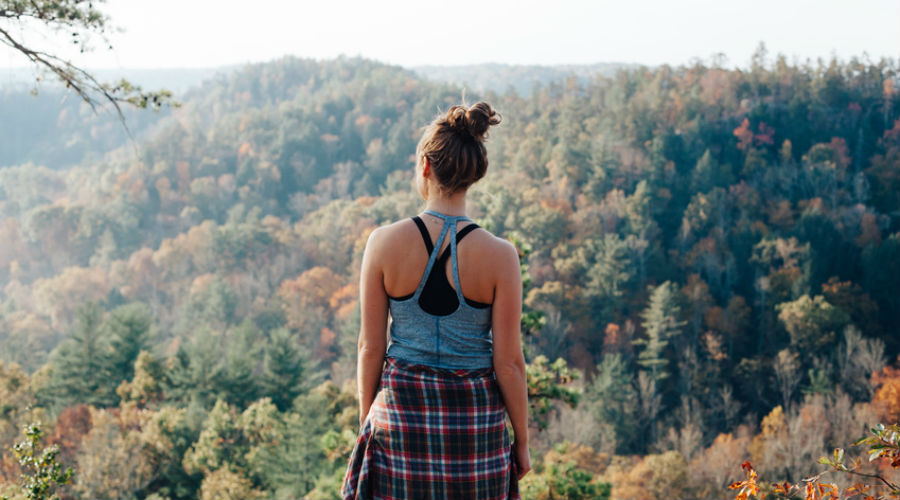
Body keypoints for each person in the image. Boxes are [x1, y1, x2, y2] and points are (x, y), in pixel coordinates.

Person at [340, 101, 531, 500]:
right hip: (475, 429)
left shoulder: (383, 243)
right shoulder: (501, 256)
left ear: (426, 166)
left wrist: (367, 422)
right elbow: (509, 363)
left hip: (400, 420)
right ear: (475, 174)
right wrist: (523, 443)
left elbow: (370, 346)